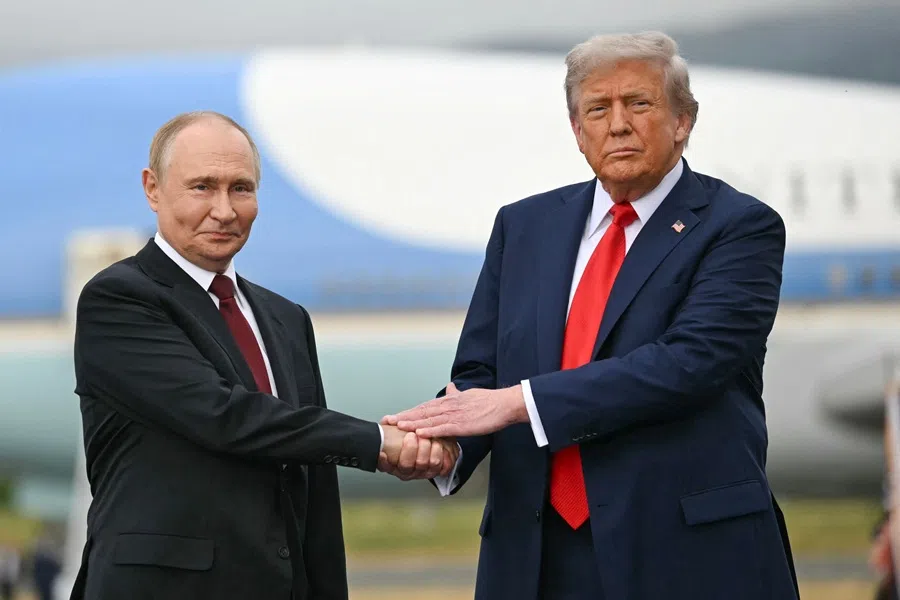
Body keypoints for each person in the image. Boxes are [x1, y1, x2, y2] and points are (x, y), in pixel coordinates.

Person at [384, 31, 799, 599]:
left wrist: (513, 404)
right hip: (534, 560)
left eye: (639, 103)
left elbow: (688, 363)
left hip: (687, 555)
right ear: (578, 131)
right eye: (597, 109)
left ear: (684, 120)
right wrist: (447, 444)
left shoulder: (739, 227)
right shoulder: (523, 227)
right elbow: (481, 372)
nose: (618, 124)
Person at [70, 111, 456, 600]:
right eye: (202, 187)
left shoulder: (284, 317)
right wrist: (379, 442)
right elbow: (224, 416)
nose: (224, 210)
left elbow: (311, 481)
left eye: (241, 188)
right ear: (153, 189)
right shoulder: (119, 298)